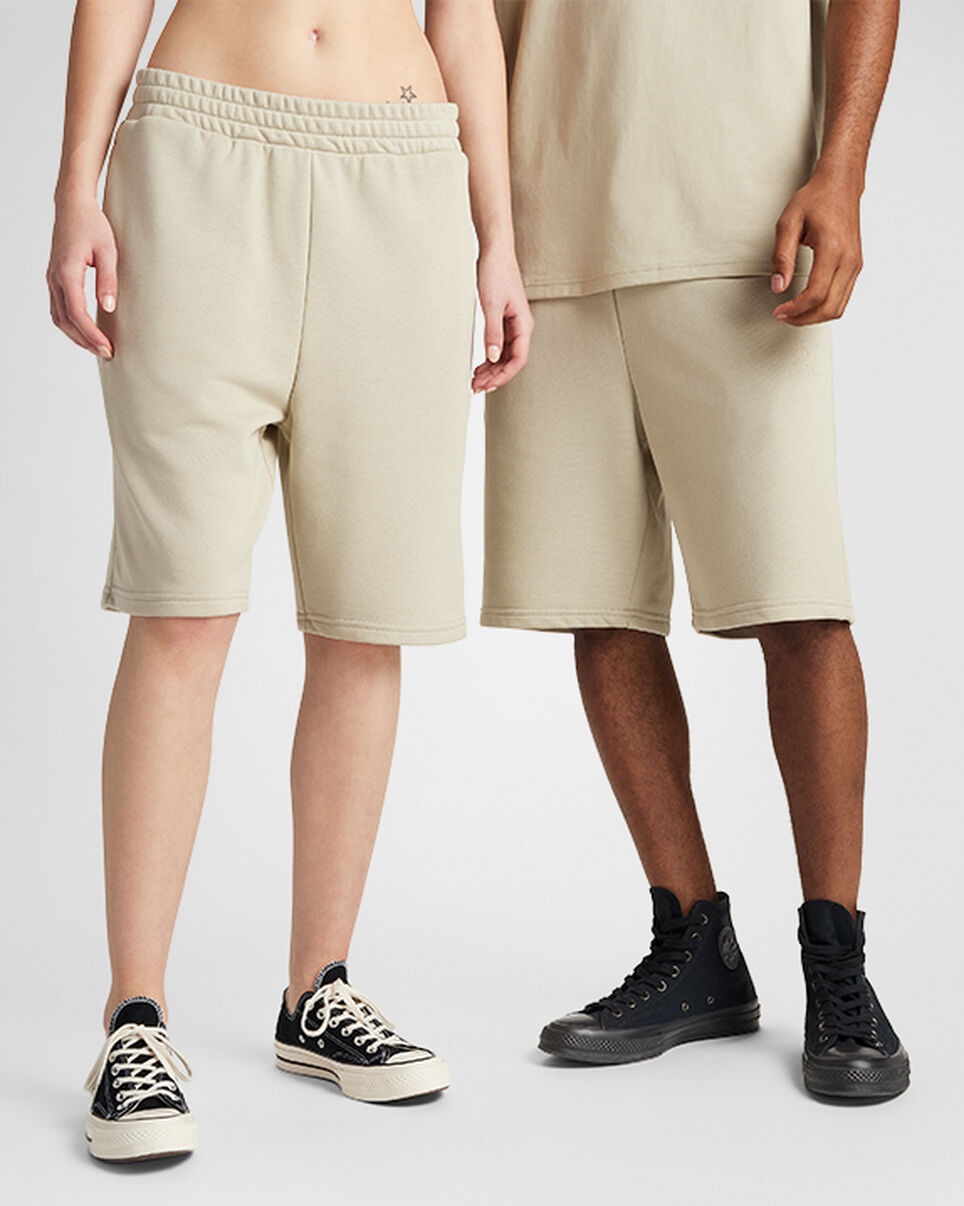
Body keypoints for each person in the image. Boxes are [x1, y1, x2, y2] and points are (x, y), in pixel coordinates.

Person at [47, 0, 531, 1162]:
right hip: (200, 158)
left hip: (401, 175)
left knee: (367, 620)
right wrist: (76, 187)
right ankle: (134, 1017)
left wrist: (498, 235)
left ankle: (318, 991)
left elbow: (465, 18)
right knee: (182, 608)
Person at [484, 0, 908, 1100]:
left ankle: (838, 961)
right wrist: (477, 223)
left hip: (740, 215)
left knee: (796, 595)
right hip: (546, 229)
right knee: (598, 601)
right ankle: (695, 945)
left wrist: (842, 170)